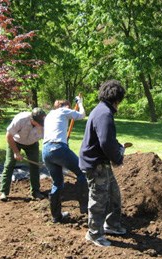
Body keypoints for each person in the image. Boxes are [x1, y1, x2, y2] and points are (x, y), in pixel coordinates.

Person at [79, 79, 127, 247]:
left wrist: (118, 148)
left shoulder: (102, 110)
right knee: (99, 198)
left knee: (114, 193)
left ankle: (112, 224)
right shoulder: (104, 113)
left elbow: (108, 139)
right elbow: (105, 142)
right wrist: (117, 158)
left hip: (100, 162)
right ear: (117, 99)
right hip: (95, 163)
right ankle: (94, 234)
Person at [42, 96, 87, 223]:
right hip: (58, 148)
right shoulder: (64, 110)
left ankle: (56, 216)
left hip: (46, 151)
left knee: (57, 182)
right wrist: (80, 103)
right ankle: (85, 206)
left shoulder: (49, 115)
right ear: (65, 106)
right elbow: (82, 115)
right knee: (82, 172)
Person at [0, 108, 46, 201]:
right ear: (32, 120)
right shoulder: (21, 119)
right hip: (16, 141)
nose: (42, 125)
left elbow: (48, 138)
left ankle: (36, 192)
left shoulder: (45, 123)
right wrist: (16, 152)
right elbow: (8, 136)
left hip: (32, 143)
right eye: (40, 123)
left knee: (35, 165)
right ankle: (3, 192)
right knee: (9, 164)